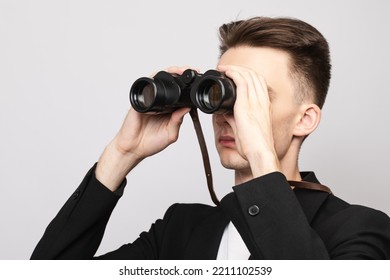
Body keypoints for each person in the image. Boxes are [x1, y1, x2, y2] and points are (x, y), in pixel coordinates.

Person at [31, 16, 390, 260]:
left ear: (305, 120)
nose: (227, 112)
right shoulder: (181, 231)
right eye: (225, 93)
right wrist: (121, 154)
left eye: (252, 95)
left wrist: (263, 161)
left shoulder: (359, 229)